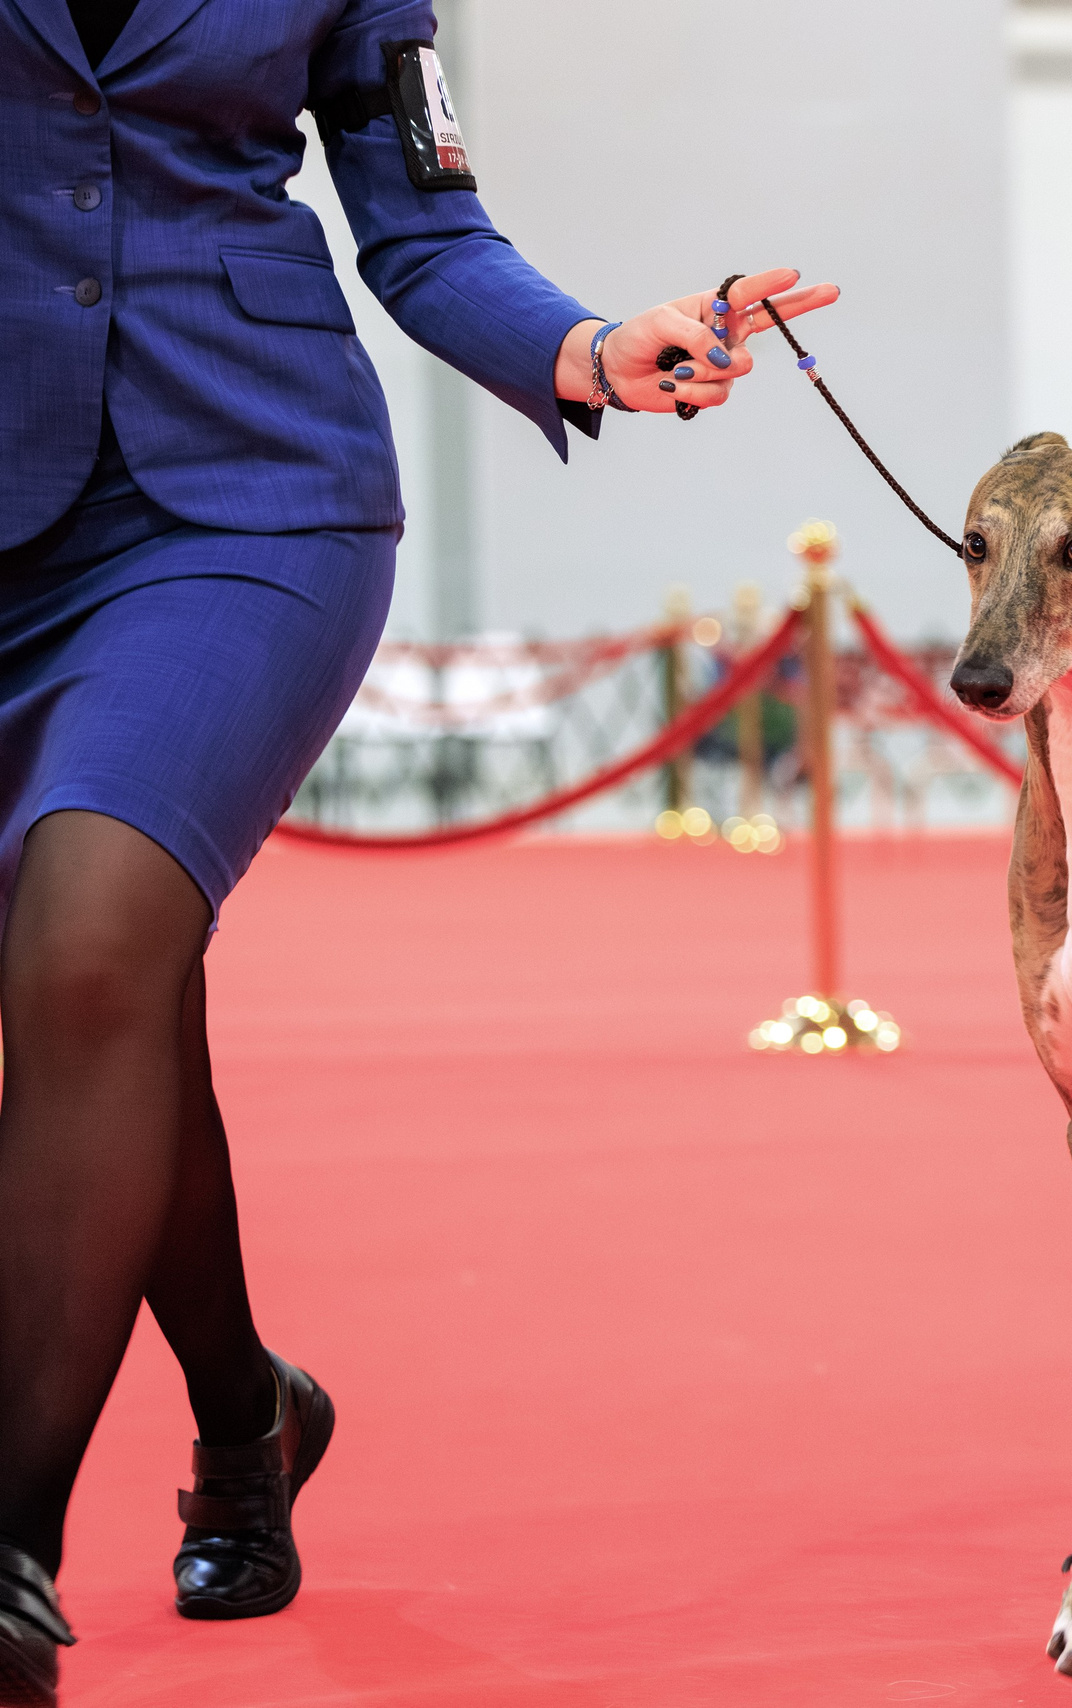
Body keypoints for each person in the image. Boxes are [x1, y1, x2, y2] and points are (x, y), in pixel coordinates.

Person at [0, 2, 836, 1697]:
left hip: (243, 493)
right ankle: (251, 1414)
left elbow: (425, 219)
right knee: (119, 1006)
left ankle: (4, 1559)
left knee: (90, 930)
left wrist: (588, 346)